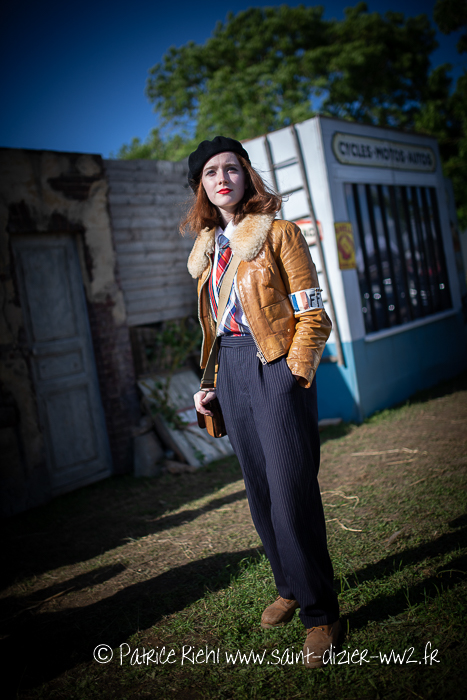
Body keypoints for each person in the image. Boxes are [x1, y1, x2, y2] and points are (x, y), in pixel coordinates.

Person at [184, 136, 340, 668]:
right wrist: (211, 382)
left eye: (231, 168)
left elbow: (313, 314)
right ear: (201, 188)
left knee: (292, 492)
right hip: (231, 372)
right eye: (210, 173)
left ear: (247, 175)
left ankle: (321, 615)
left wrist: (292, 374)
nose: (222, 178)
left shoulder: (280, 233)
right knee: (260, 493)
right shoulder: (207, 251)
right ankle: (289, 587)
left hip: (274, 363)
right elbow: (216, 327)